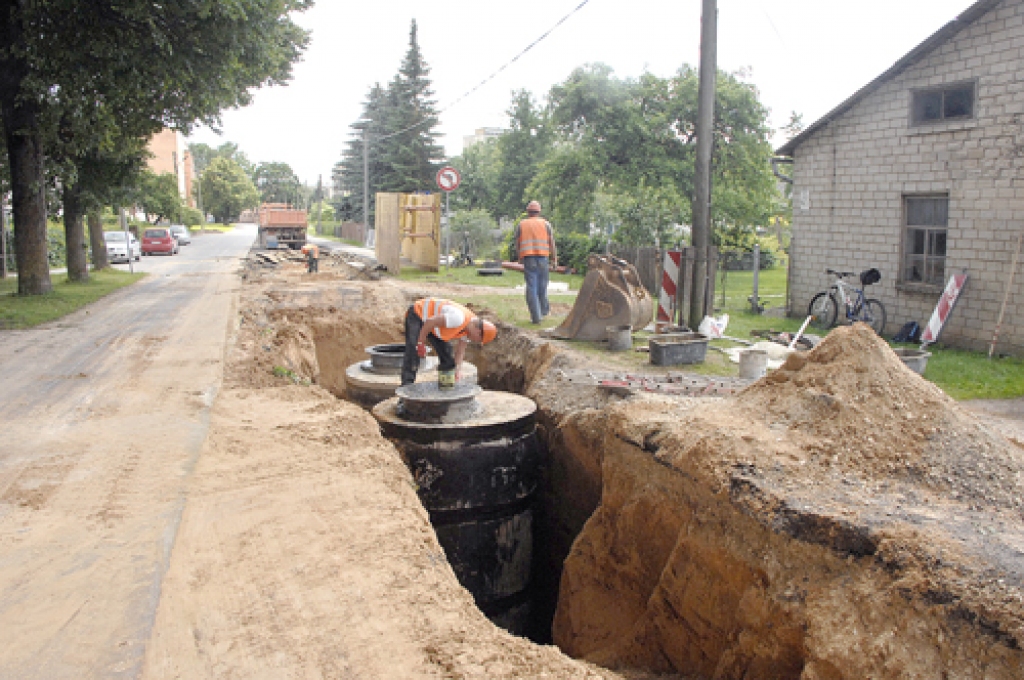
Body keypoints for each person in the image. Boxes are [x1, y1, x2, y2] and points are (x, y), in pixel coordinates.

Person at [402, 297, 498, 386]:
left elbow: (460, 351)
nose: (476, 341)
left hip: (433, 324)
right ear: (478, 332)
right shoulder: (458, 319)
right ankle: (406, 393)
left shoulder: (469, 329)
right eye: (479, 340)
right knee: (413, 354)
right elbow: (430, 321)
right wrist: (420, 343)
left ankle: (446, 389)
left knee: (447, 358)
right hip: (418, 314)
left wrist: (457, 370)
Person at [514, 200, 557, 324]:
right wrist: (554, 259)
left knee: (532, 287)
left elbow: (517, 243)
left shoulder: (522, 224)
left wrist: (519, 257)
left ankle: (536, 317)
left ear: (528, 212)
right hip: (543, 258)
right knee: (542, 286)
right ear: (539, 212)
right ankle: (543, 312)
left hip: (529, 259)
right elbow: (551, 243)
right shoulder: (546, 224)